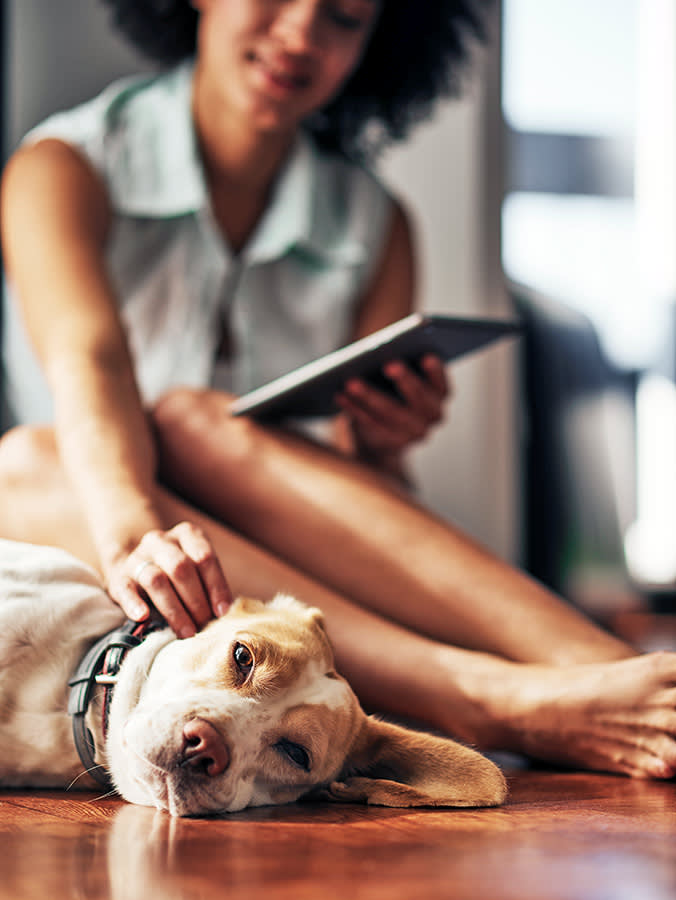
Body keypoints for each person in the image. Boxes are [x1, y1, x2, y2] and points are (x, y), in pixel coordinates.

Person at [1, 0, 675, 781]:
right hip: (73, 519)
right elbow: (90, 360)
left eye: (346, 17)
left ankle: (607, 667)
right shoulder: (61, 167)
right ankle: (489, 698)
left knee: (194, 422)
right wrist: (135, 532)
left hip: (265, 579)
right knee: (44, 451)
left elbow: (370, 506)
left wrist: (383, 444)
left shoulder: (374, 222)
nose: (301, 35)